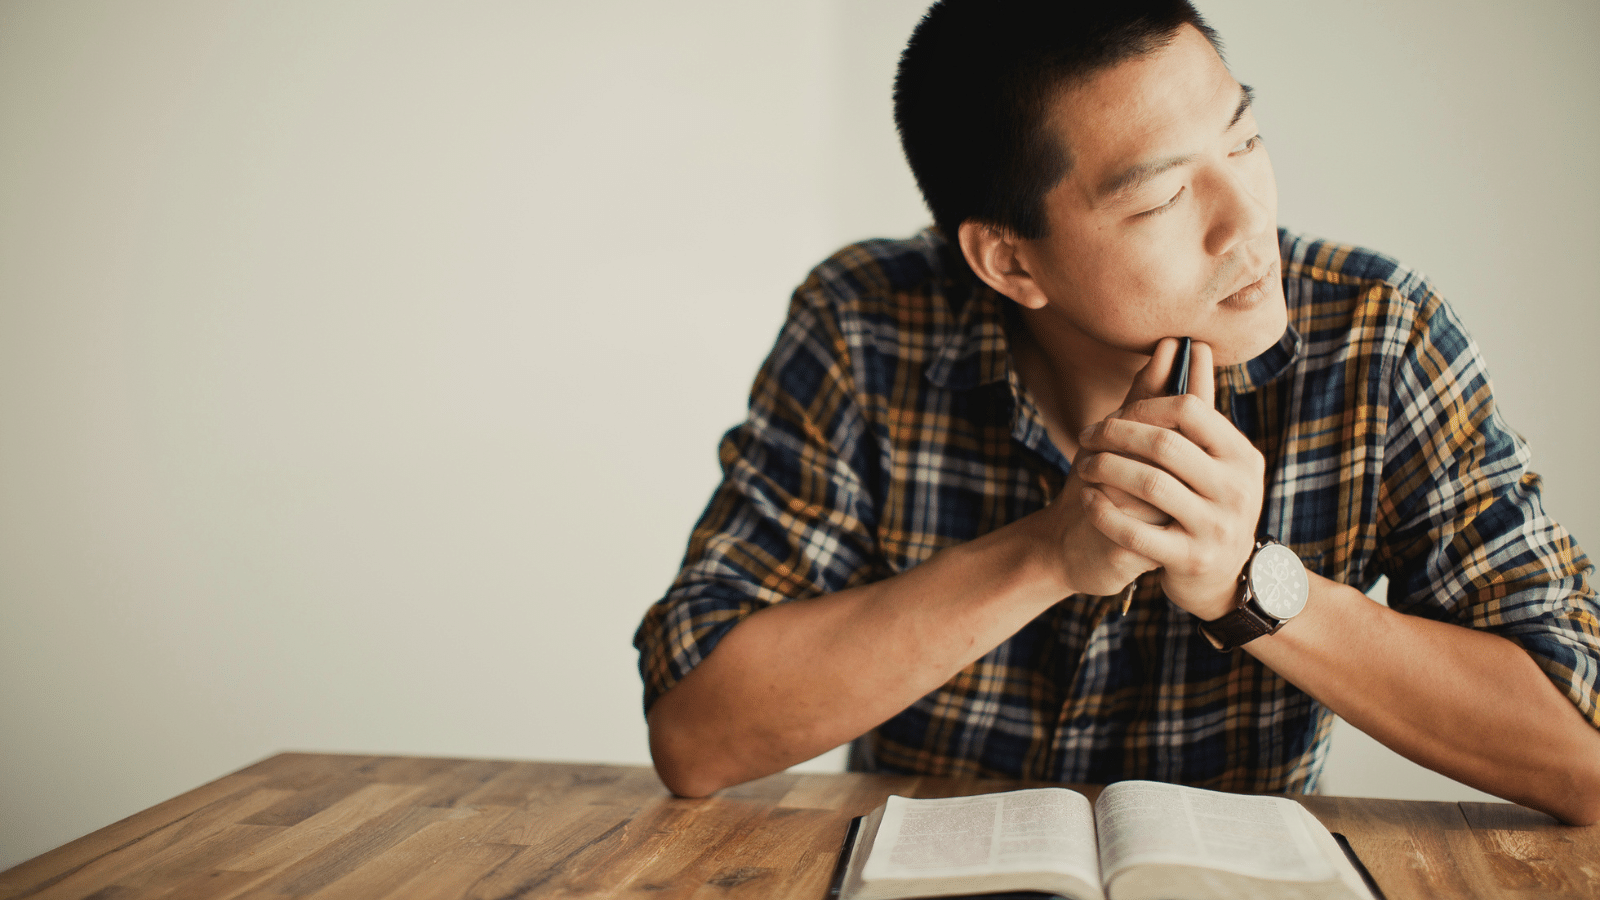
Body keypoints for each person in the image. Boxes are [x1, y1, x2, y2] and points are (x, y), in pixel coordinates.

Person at [632, 0, 1600, 824]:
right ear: (1008, 260)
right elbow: (695, 733)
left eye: (1245, 140)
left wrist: (1247, 586)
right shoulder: (865, 324)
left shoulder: (1379, 337)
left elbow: (1582, 750)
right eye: (1166, 195)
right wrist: (1053, 552)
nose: (1244, 219)